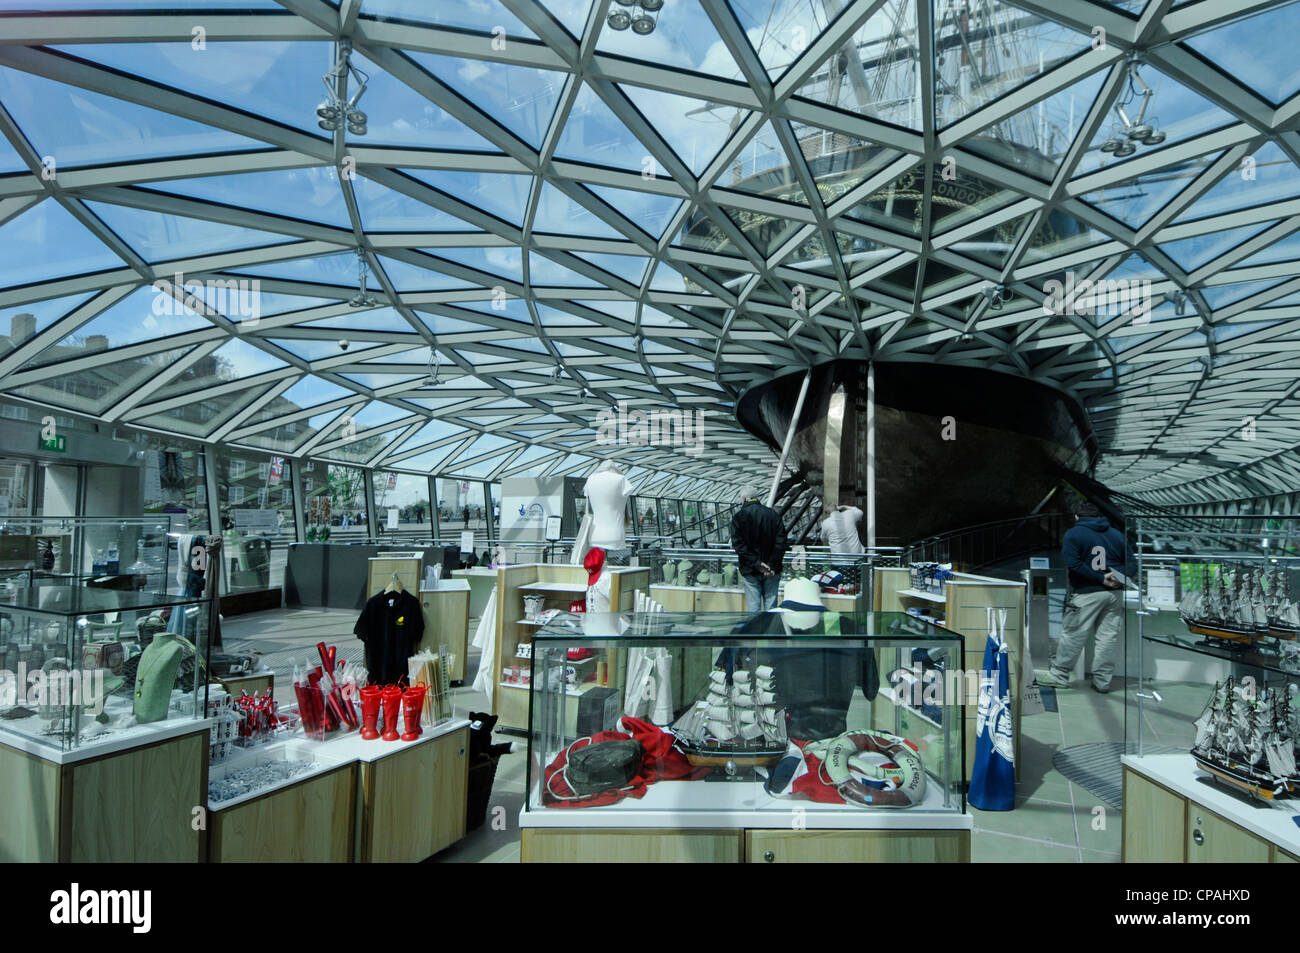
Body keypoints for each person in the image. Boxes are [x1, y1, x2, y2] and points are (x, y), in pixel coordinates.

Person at [1036, 502, 1127, 693]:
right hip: (1115, 594)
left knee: (1073, 635)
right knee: (1107, 639)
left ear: (1077, 517)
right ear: (1098, 516)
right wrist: (1118, 578)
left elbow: (1074, 564)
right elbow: (1132, 562)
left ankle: (1059, 676)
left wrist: (1101, 578)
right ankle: (1102, 682)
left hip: (1086, 593)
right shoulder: (1116, 535)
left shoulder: (1074, 534)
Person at [730, 486, 788, 614]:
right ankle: (770, 633)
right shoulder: (773, 514)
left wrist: (757, 564)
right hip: (772, 571)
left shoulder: (739, 517)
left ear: (744, 499)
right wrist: (771, 565)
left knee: (753, 609)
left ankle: (755, 632)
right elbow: (781, 542)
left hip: (750, 569)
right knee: (772, 608)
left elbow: (738, 545)